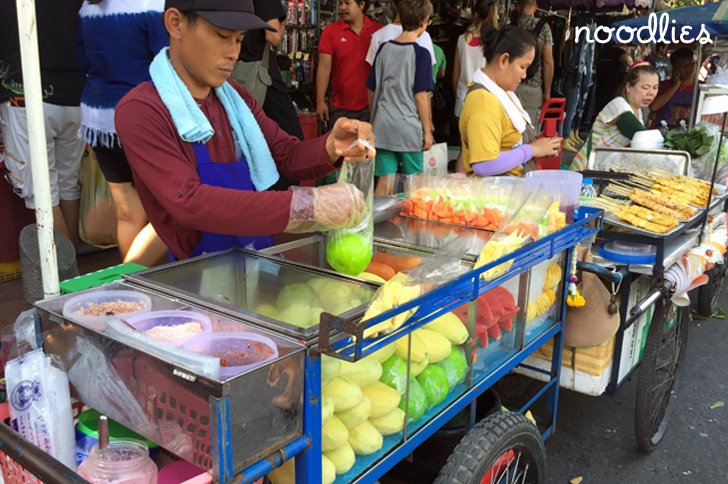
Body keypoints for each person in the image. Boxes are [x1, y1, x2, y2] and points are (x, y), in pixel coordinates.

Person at [115, 0, 375, 261]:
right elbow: (190, 202)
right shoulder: (142, 111)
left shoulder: (236, 99)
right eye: (223, 36)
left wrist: (331, 147)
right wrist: (306, 206)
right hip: (193, 275)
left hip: (259, 261)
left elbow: (286, 154)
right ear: (175, 23)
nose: (233, 53)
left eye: (239, 40)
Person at [77, 0, 168, 266]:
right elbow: (166, 62)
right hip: (141, 116)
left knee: (128, 212)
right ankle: (137, 278)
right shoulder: (149, 3)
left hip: (97, 116)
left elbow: (82, 60)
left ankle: (131, 282)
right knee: (171, 208)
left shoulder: (87, 6)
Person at [0, 0, 85, 247]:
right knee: (67, 185)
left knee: (42, 193)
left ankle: (61, 273)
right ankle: (72, 269)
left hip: (27, 96)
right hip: (74, 95)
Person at [459, 26, 561, 177]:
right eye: (522, 67)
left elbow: (509, 145)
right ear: (504, 60)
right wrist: (533, 149)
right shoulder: (483, 102)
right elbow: (485, 164)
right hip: (493, 197)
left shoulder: (502, 95)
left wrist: (543, 147)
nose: (524, 75)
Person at [367, 0, 433, 195]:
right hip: (408, 128)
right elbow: (421, 96)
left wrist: (375, 118)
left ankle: (377, 223)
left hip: (383, 126)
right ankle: (415, 223)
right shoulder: (421, 54)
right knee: (416, 182)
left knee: (385, 180)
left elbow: (371, 89)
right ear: (424, 22)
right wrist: (427, 131)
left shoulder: (383, 49)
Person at [570, 62, 659, 171]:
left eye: (655, 88)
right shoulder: (619, 106)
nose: (651, 93)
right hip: (586, 169)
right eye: (645, 87)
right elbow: (642, 136)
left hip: (603, 168)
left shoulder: (638, 112)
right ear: (628, 87)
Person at [235, 0, 303, 141]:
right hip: (259, 72)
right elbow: (273, 36)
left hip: (235, 70)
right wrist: (282, 22)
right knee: (291, 136)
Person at [316, 0, 383, 127]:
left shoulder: (378, 32)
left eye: (347, 3)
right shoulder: (330, 31)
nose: (342, 8)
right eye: (340, 3)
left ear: (361, 5)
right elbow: (324, 68)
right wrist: (320, 101)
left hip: (371, 108)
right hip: (339, 108)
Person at [452, 0, 498, 119]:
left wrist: (457, 95)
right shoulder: (494, 42)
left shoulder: (461, 39)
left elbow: (455, 76)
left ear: (475, 14)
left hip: (463, 100)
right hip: (485, 102)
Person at [513, 0, 554, 126]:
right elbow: (548, 62)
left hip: (511, 86)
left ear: (517, 7)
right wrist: (547, 92)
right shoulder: (544, 28)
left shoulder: (510, 26)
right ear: (536, 7)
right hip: (533, 88)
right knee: (529, 132)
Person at [365, 0, 436, 67]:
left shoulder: (379, 37)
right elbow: (428, 74)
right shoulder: (424, 36)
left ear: (392, 4)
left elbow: (375, 74)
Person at [650, 47, 696, 129]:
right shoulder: (664, 85)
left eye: (691, 64)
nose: (688, 69)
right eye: (684, 66)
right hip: (663, 133)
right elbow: (654, 107)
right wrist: (676, 85)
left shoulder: (700, 88)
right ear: (675, 68)